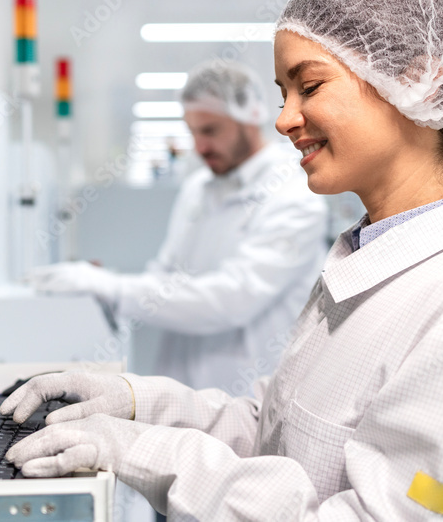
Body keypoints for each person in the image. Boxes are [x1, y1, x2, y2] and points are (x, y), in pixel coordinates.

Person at [2, 0, 443, 520]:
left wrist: (150, 452)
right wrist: (135, 404)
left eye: (309, 86)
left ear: (416, 78)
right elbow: (280, 432)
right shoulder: (371, 263)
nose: (284, 119)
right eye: (284, 93)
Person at [30, 60, 328, 394]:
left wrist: (115, 288)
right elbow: (165, 275)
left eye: (210, 131)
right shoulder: (198, 188)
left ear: (250, 117)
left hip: (249, 392)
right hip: (183, 387)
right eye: (193, 132)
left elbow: (232, 299)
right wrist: (104, 286)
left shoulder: (294, 197)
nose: (199, 147)